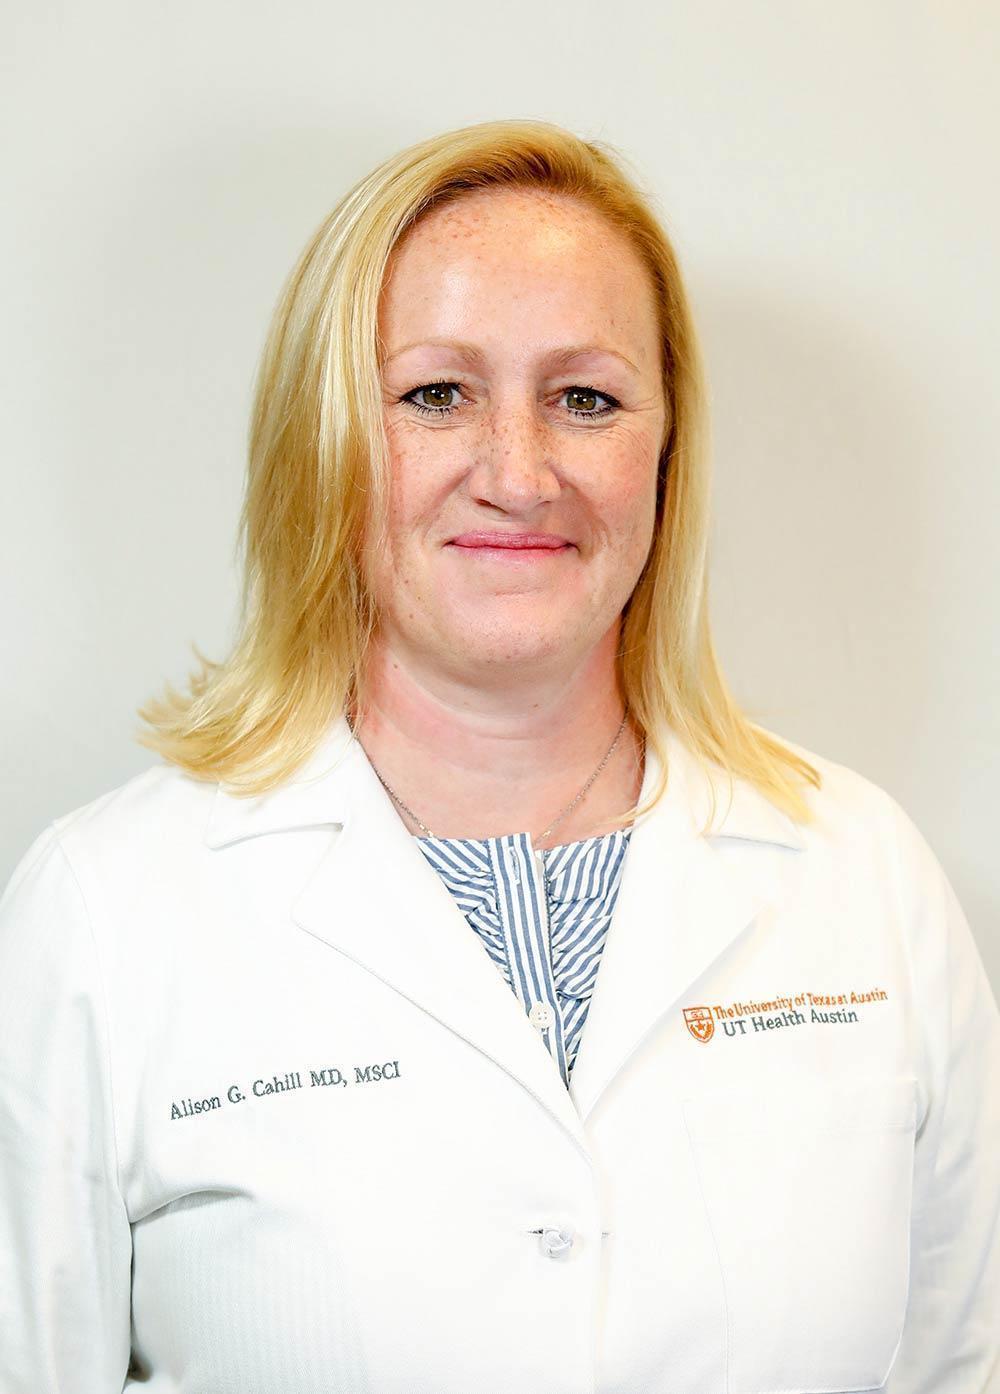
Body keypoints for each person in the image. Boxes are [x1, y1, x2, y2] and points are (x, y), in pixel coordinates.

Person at [1, 117, 997, 1394]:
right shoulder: (106, 911)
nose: (519, 475)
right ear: (327, 441)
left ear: (664, 450)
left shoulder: (863, 878)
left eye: (585, 398)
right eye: (435, 393)